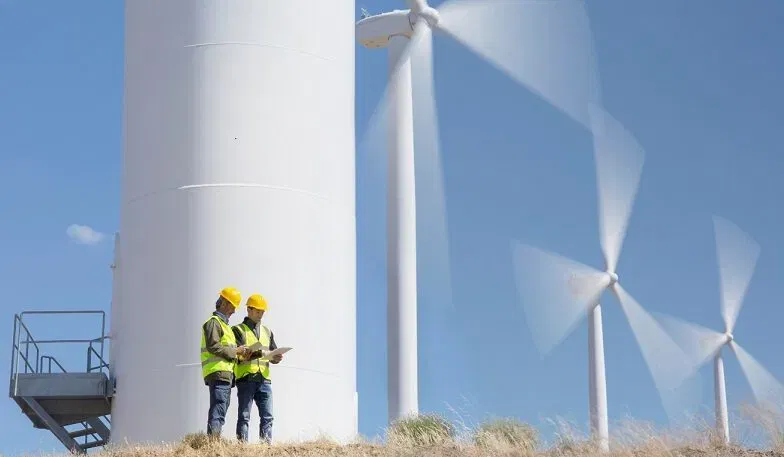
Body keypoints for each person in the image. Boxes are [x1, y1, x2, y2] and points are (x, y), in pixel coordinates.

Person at [232, 293, 283, 443]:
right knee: (244, 416)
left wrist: (276, 358)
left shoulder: (267, 332)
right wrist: (258, 352)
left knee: (267, 416)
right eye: (258, 311)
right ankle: (242, 447)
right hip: (246, 378)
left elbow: (273, 351)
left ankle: (266, 448)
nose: (261, 314)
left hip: (264, 380)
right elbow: (239, 355)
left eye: (262, 311)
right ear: (249, 310)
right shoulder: (238, 330)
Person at [200, 286, 250, 437]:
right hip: (218, 372)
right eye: (233, 307)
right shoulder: (214, 322)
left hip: (225, 374)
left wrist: (242, 354)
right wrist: (236, 351)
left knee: (221, 410)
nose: (234, 311)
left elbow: (228, 350)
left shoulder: (225, 326)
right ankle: (213, 445)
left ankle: (214, 443)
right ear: (224, 303)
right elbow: (213, 347)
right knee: (218, 410)